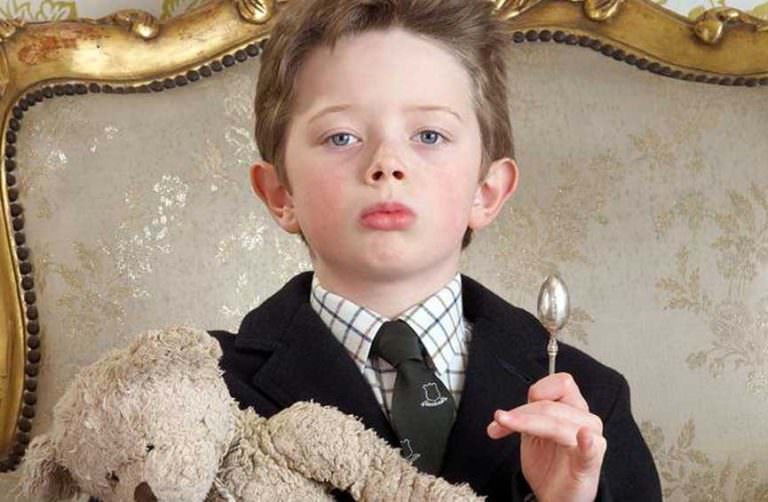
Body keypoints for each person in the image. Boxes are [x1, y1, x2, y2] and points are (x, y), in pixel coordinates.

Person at [209, 0, 662, 500]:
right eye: (341, 137)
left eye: (429, 135)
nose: (387, 163)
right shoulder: (208, 390)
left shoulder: (591, 403)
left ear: (486, 191)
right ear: (280, 194)